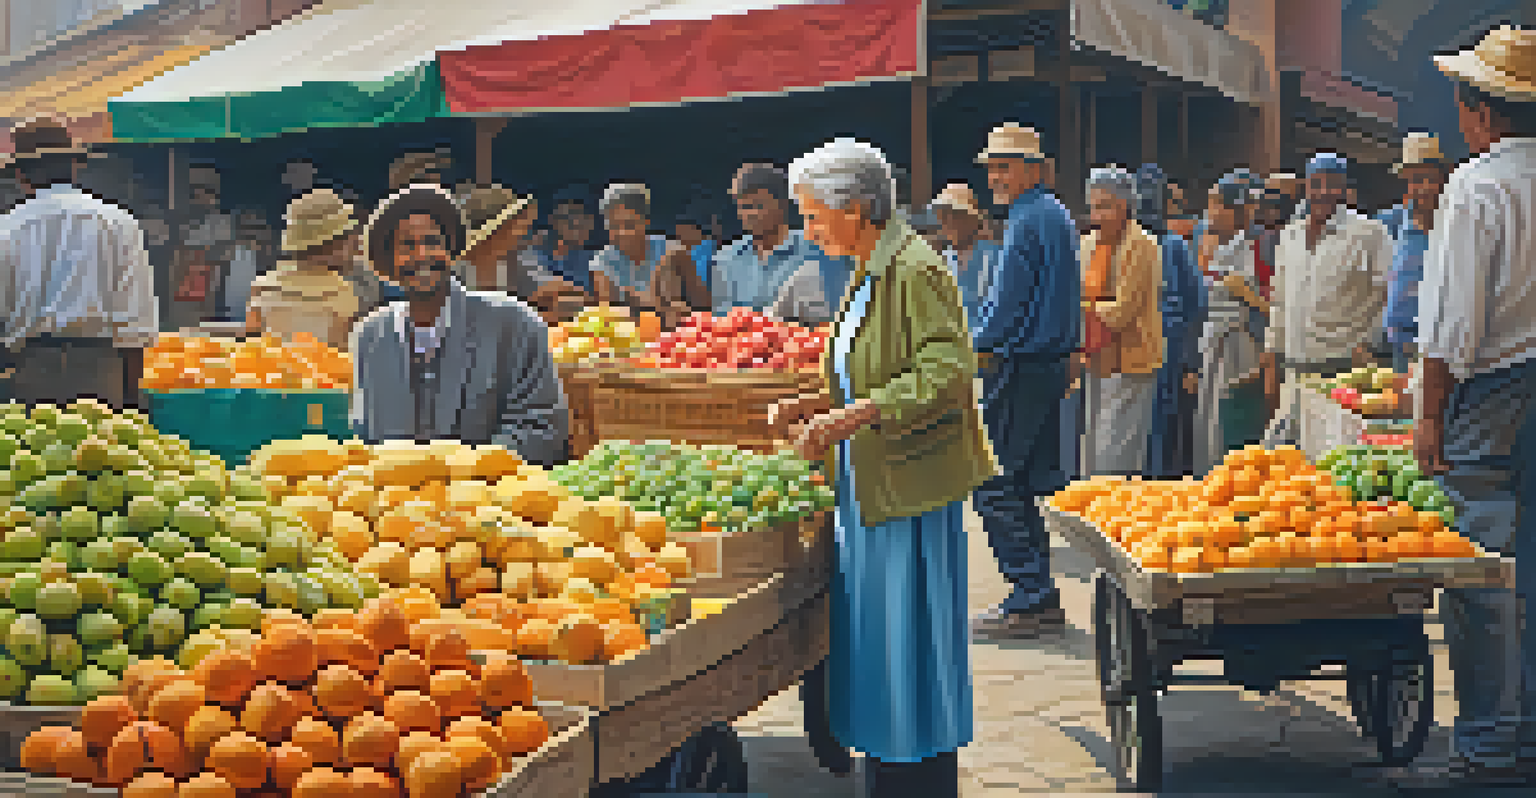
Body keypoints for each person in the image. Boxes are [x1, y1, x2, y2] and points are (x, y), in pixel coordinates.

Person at [767, 137, 995, 798]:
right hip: (873, 486)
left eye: (813, 216)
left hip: (909, 489)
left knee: (907, 648)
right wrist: (811, 402)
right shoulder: (870, 265)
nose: (807, 230)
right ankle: (892, 769)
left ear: (858, 207)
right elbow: (864, 369)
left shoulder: (914, 268)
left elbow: (947, 371)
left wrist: (855, 417)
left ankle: (913, 780)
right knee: (882, 645)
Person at [1416, 25, 1536, 786]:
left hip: (1491, 393)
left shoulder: (1477, 185)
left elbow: (1452, 326)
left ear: (1481, 114)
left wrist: (1429, 414)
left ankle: (1491, 737)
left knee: (1481, 570)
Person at [349, 184, 568, 465]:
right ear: (389, 260)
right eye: (407, 245)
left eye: (432, 242)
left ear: (451, 251)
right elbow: (365, 435)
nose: (422, 255)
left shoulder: (514, 324)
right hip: (397, 504)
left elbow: (543, 429)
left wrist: (458, 472)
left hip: (490, 501)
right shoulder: (370, 336)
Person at [970, 122, 1079, 639]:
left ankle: (1031, 595)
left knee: (991, 482)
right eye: (992, 167)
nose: (996, 176)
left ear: (1034, 169)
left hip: (1021, 362)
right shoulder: (1052, 214)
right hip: (1045, 362)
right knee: (1019, 483)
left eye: (1005, 166)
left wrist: (974, 344)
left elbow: (1009, 302)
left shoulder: (1027, 218)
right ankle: (1038, 594)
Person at [0, 118, 157, 409]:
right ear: (74, 167)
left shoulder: (7, 228)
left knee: (33, 450)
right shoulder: (118, 222)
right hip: (101, 367)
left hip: (30, 368)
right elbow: (136, 320)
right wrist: (132, 397)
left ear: (21, 175)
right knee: (99, 450)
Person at [1259, 153, 1393, 447]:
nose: (1324, 192)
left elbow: (1387, 292)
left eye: (1333, 185)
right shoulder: (1290, 235)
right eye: (1316, 184)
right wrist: (1271, 355)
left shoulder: (1368, 232)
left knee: (1335, 459)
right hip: (1294, 370)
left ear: (1345, 189)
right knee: (1286, 456)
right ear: (1306, 187)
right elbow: (1279, 298)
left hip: (1344, 373)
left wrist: (1369, 343)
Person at [1077, 166, 1164, 476]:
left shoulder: (1143, 245)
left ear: (1125, 206)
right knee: (1094, 440)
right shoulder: (1088, 244)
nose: (1097, 214)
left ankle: (1114, 513)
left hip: (1131, 359)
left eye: (1105, 206)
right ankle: (1090, 509)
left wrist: (1083, 311)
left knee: (1120, 448)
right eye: (1093, 206)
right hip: (1096, 357)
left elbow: (1124, 310)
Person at [1193, 172, 1269, 473]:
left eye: (1217, 205)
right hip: (1212, 340)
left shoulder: (1261, 243)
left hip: (1242, 341)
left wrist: (1250, 298)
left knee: (1235, 417)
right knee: (1209, 417)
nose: (1211, 212)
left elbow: (1273, 302)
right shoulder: (1208, 241)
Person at [714, 163, 850, 325]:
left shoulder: (820, 249)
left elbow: (840, 315)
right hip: (743, 347)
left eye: (759, 206)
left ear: (783, 204)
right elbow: (722, 322)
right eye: (744, 207)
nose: (751, 214)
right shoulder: (725, 258)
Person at [1137, 164, 1206, 480]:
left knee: (1161, 429)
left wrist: (1191, 364)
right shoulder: (1116, 244)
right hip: (1128, 353)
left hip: (1167, 352)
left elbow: (1196, 304)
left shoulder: (1174, 245)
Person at [244, 189, 363, 351]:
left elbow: (251, 342)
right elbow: (345, 351)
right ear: (335, 245)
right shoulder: (341, 293)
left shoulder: (262, 287)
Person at [1380, 132, 1450, 374]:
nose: (1422, 188)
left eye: (1427, 179)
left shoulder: (1455, 222)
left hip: (1443, 347)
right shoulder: (1393, 221)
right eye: (1414, 180)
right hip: (1400, 345)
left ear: (1443, 178)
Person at [930, 182, 1000, 337]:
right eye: (942, 216)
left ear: (972, 220)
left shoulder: (993, 257)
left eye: (954, 215)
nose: (946, 223)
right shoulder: (944, 259)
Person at [171, 167, 233, 331]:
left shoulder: (223, 222)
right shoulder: (185, 222)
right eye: (195, 194)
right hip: (183, 281)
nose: (199, 199)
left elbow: (221, 253)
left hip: (210, 281)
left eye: (204, 193)